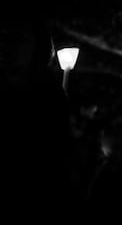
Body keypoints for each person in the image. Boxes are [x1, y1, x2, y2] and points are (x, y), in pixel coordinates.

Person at [0, 19, 78, 221]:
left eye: (18, 37)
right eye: (4, 36)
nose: (8, 43)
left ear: (36, 45)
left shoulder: (48, 94)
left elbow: (53, 155)